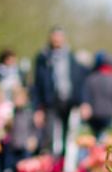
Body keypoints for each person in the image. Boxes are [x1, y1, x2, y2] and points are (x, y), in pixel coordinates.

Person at [31, 26, 88, 159]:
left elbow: (79, 81)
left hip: (68, 100)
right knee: (49, 135)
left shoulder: (72, 58)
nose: (57, 40)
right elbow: (37, 84)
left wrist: (83, 102)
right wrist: (38, 107)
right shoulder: (43, 58)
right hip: (50, 100)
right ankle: (50, 166)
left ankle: (61, 166)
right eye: (54, 36)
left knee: (67, 136)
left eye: (59, 37)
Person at [81, 52, 112, 140]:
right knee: (107, 141)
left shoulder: (91, 78)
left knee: (92, 140)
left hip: (93, 116)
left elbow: (85, 97)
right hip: (110, 115)